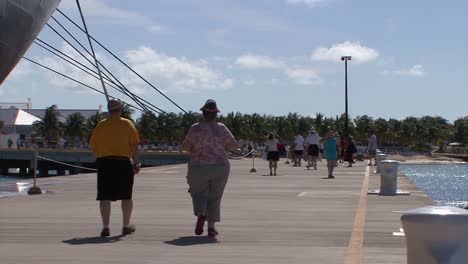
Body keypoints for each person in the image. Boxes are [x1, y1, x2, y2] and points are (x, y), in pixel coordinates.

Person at [183, 99, 239, 237]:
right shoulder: (221, 128)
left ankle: (201, 213)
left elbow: (185, 147)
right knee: (215, 196)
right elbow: (233, 146)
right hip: (220, 166)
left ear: (203, 113)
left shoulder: (194, 128)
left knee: (198, 193)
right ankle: (211, 228)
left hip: (198, 167)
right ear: (216, 114)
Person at [89, 99, 141, 237]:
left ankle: (106, 227)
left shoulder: (101, 125)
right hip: (123, 162)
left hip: (105, 162)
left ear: (109, 110)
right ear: (121, 109)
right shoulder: (127, 124)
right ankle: (125, 225)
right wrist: (137, 162)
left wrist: (98, 158)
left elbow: (92, 145)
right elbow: (134, 145)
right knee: (126, 196)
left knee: (104, 196)